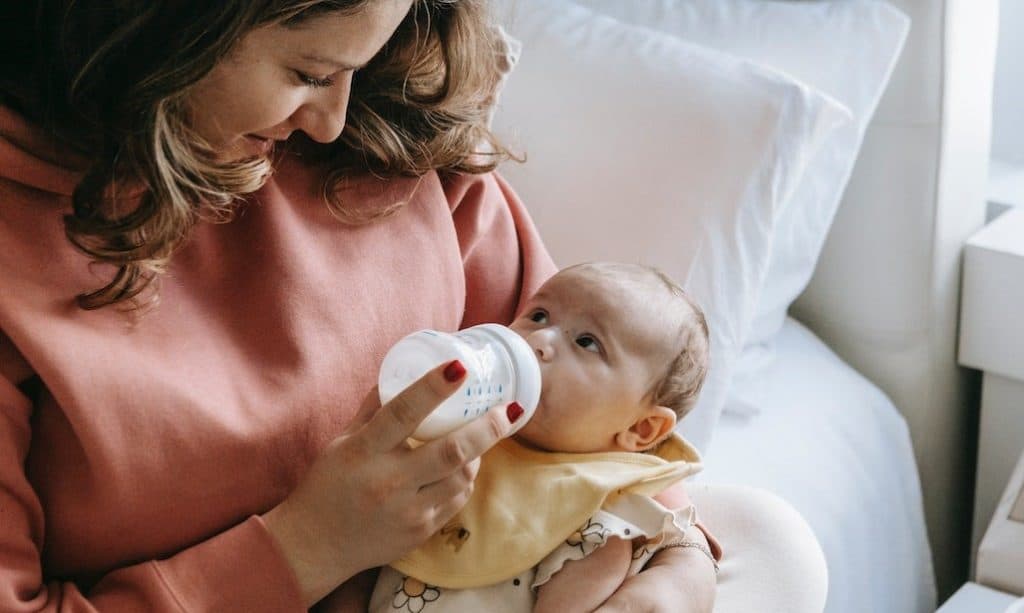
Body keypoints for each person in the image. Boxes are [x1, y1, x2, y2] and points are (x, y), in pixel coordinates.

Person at [0, 1, 722, 611]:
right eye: (310, 73)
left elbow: (619, 411)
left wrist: (680, 565)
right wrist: (307, 546)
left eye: (360, 67)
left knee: (778, 538)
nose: (332, 122)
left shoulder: (393, 146)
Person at [369, 262, 719, 613]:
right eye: (538, 316)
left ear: (638, 429)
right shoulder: (456, 429)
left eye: (587, 342)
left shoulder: (596, 523)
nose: (539, 339)